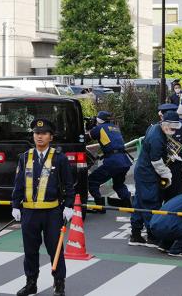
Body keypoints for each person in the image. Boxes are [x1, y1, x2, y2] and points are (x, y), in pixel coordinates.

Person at [11, 117, 75, 296]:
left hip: (52, 212)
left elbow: (69, 184)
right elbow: (18, 184)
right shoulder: (25, 158)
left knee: (55, 250)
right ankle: (31, 283)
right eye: (36, 133)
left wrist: (69, 206)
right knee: (30, 250)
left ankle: (59, 283)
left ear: (51, 137)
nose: (39, 137)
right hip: (29, 212)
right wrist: (15, 205)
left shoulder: (59, 158)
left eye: (44, 133)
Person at [129, 111, 181, 248]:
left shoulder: (155, 128)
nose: (174, 132)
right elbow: (156, 161)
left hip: (142, 172)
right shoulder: (157, 137)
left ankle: (135, 234)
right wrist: (167, 174)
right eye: (172, 128)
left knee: (139, 202)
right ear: (165, 124)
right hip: (148, 174)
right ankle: (153, 236)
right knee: (150, 203)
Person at [86, 111, 132, 212]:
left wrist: (88, 128)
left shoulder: (99, 128)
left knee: (92, 181)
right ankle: (128, 204)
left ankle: (100, 207)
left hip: (113, 162)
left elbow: (84, 139)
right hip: (124, 160)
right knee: (118, 184)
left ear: (99, 120)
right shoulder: (115, 128)